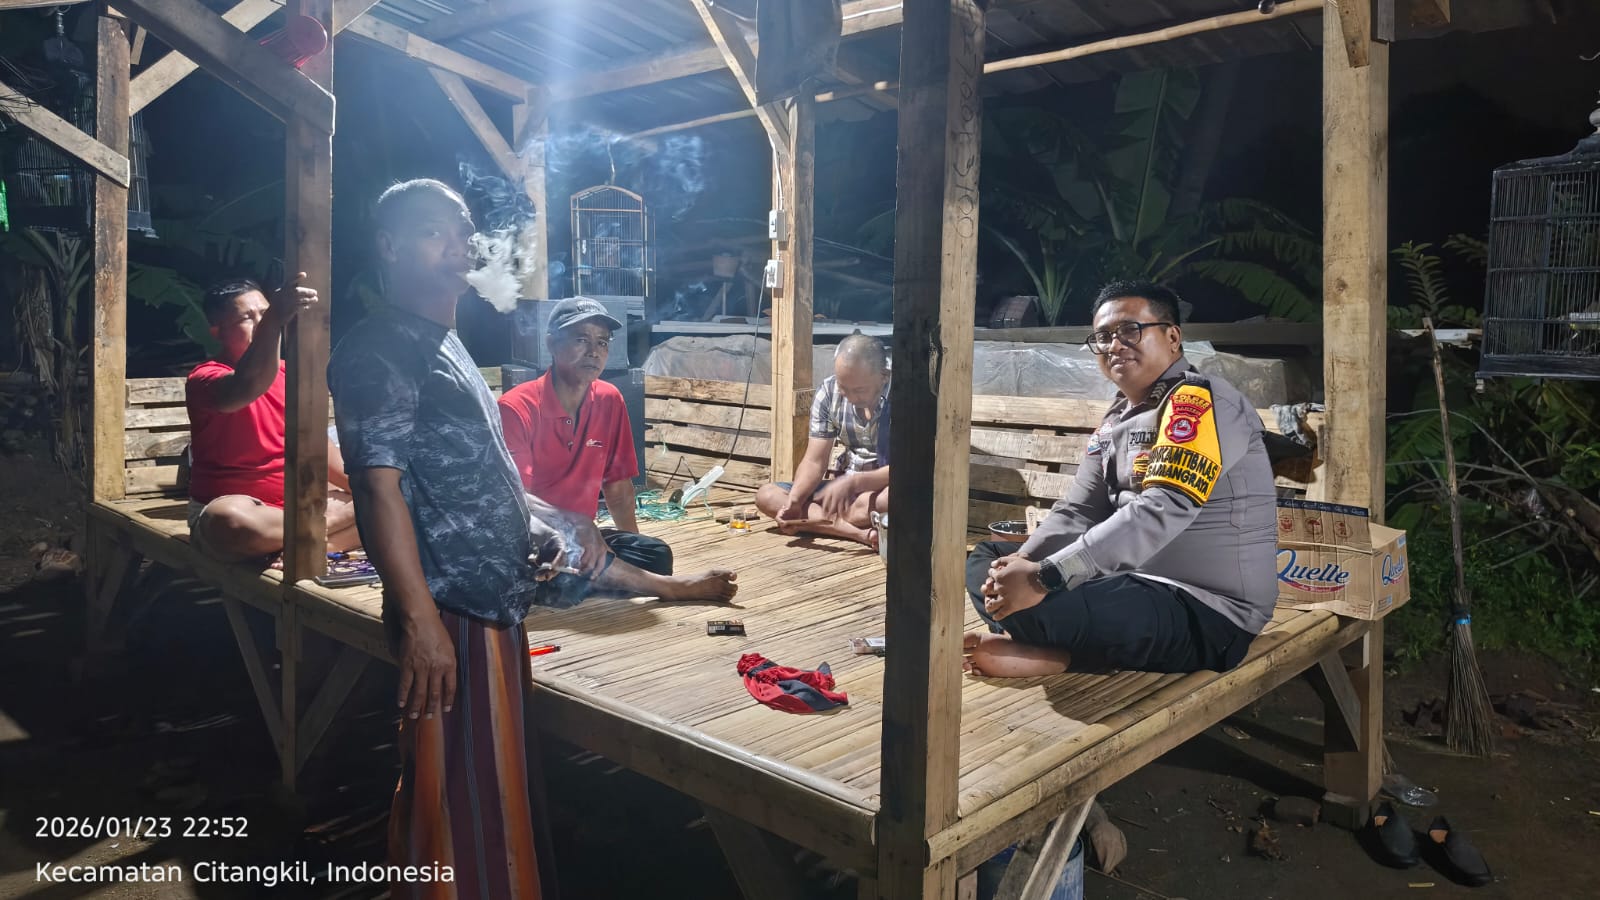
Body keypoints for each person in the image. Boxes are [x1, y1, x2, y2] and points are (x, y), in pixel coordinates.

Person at [328, 179, 570, 898]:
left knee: (494, 784)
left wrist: (532, 524)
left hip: (493, 602)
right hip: (450, 609)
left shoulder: (445, 342)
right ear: (389, 246)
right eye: (434, 230)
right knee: (458, 797)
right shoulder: (379, 349)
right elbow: (378, 488)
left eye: (462, 230)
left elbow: (464, 467)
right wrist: (421, 622)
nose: (458, 243)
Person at [963, 280, 1277, 678]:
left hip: (1207, 610)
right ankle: (1040, 643)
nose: (1114, 345)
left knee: (1039, 600)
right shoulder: (1115, 419)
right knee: (988, 560)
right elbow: (1079, 510)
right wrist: (1024, 561)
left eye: (1130, 330)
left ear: (1173, 337)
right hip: (1127, 583)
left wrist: (1045, 577)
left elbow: (1161, 508)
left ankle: (1058, 654)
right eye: (1103, 336)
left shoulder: (1198, 402)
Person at [497, 298, 738, 604]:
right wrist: (574, 524)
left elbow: (619, 487)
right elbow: (514, 499)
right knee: (556, 560)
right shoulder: (516, 407)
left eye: (602, 342)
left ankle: (600, 575)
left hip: (584, 537)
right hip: (536, 538)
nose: (593, 351)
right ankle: (669, 587)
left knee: (654, 553)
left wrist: (629, 543)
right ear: (552, 344)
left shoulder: (609, 399)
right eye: (581, 340)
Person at [185, 277, 358, 562]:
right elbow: (247, 385)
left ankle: (308, 546)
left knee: (387, 496)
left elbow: (317, 448)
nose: (261, 322)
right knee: (229, 521)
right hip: (246, 512)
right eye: (247, 317)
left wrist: (366, 488)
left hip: (297, 507)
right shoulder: (205, 378)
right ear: (217, 331)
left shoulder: (292, 374)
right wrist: (274, 320)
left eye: (265, 313)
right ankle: (318, 541)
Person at [753, 333, 891, 548]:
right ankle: (859, 533)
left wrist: (854, 483)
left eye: (859, 390)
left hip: (880, 487)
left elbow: (908, 470)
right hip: (843, 487)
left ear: (884, 376)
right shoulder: (828, 391)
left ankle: (822, 520)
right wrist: (796, 501)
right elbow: (814, 461)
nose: (851, 397)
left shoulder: (904, 396)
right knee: (767, 496)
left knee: (888, 501)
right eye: (843, 387)